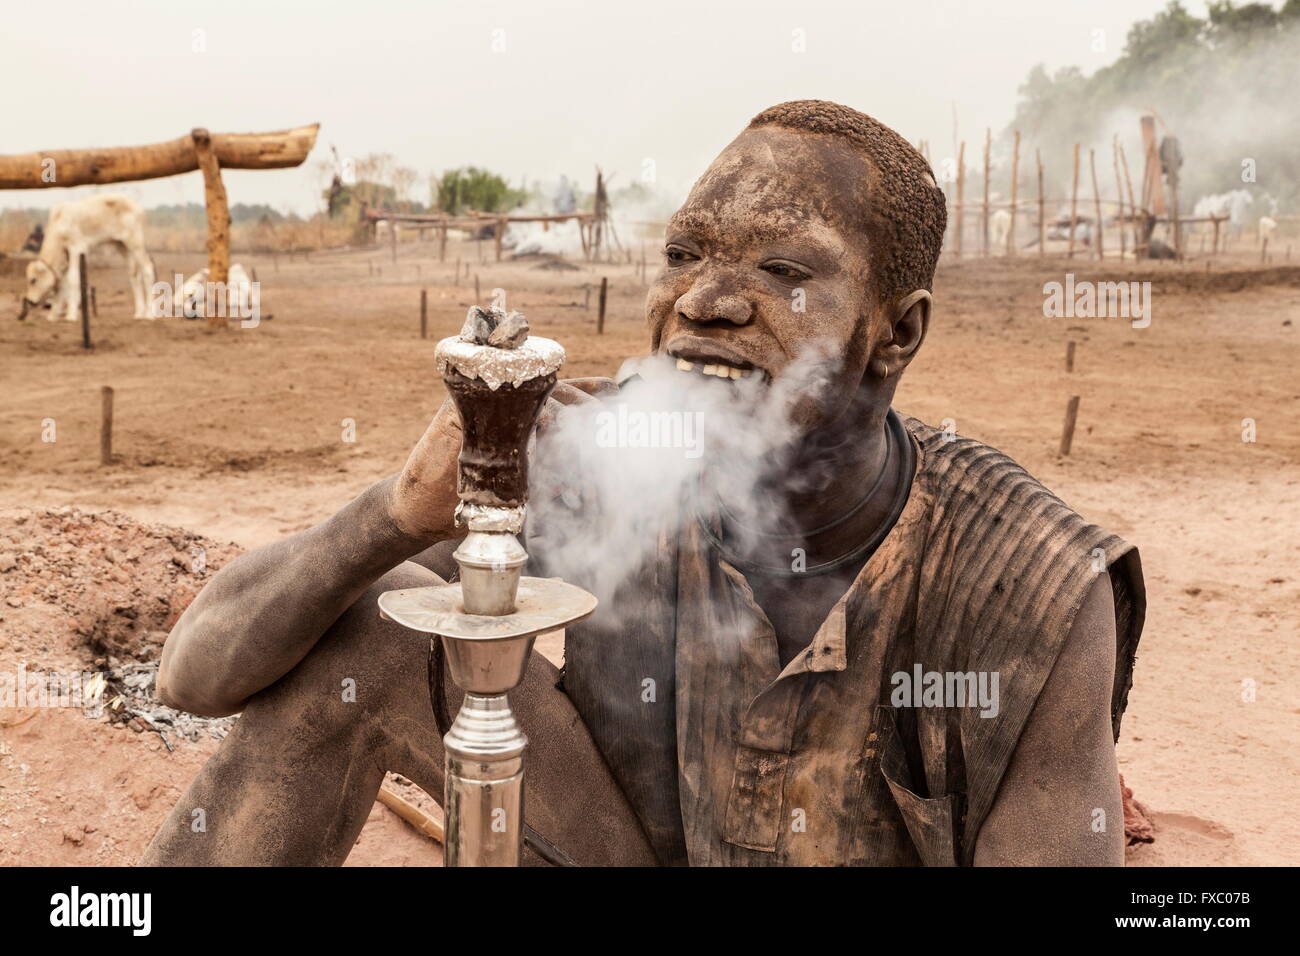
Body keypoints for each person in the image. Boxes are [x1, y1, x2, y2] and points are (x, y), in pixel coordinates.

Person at [143, 100, 1143, 866]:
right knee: (376, 628)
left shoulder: (1031, 580)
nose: (703, 300)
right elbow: (194, 674)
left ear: (900, 331)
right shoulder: (603, 456)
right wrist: (398, 512)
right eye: (683, 254)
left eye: (784, 270)